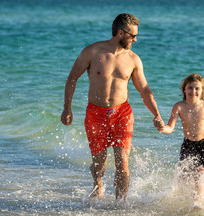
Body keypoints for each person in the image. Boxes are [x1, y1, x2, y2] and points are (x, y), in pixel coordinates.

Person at [61, 13, 164, 202]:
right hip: (95, 114)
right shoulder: (92, 52)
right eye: (132, 35)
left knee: (122, 164)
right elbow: (72, 79)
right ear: (120, 33)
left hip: (122, 114)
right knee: (99, 165)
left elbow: (145, 90)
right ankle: (97, 186)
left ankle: (120, 204)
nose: (135, 39)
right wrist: (67, 108)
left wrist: (156, 114)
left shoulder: (133, 59)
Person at [159, 73, 204, 210]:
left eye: (197, 88)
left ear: (202, 91)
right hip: (188, 144)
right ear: (184, 89)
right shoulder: (179, 106)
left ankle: (198, 202)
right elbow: (170, 127)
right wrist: (162, 128)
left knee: (200, 172)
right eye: (190, 88)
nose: (193, 91)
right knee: (184, 175)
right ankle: (185, 198)